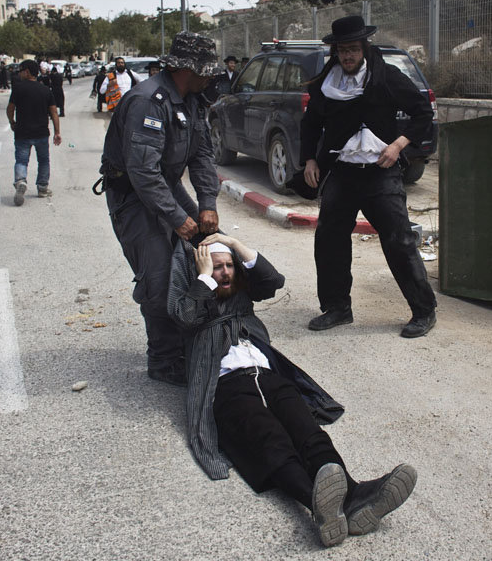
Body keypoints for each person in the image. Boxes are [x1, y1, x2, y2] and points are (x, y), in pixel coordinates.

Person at [168, 232, 418, 548]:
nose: (225, 272)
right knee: (271, 438)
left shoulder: (242, 299)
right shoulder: (198, 306)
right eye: (216, 267)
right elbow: (181, 315)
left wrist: (237, 247)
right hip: (227, 385)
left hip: (270, 375)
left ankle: (354, 495)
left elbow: (272, 280)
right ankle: (319, 507)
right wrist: (203, 279)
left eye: (229, 265)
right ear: (203, 272)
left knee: (308, 431)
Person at [298, 15, 437, 338]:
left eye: (353, 50)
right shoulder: (326, 85)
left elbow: (423, 113)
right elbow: (310, 125)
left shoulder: (386, 77)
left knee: (400, 241)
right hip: (342, 173)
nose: (348, 56)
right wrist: (309, 160)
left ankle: (423, 311)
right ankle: (337, 308)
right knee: (329, 240)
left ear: (364, 48)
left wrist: (399, 144)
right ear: (335, 52)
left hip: (381, 173)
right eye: (342, 50)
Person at [98, 31, 221, 386]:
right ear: (187, 69)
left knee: (211, 249)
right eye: (206, 70)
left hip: (164, 186)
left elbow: (201, 155)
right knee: (159, 276)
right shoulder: (147, 101)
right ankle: (164, 360)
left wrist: (207, 205)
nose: (211, 76)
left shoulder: (193, 99)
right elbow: (141, 172)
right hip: (134, 196)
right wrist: (176, 217)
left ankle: (193, 337)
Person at [6, 59, 62, 206]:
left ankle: (20, 181)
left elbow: (10, 108)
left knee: (21, 161)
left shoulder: (18, 88)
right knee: (43, 160)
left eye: (21, 70)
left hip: (22, 133)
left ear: (27, 72)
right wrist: (57, 132)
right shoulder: (45, 90)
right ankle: (43, 188)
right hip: (41, 133)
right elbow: (54, 112)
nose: (19, 73)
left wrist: (12, 122)